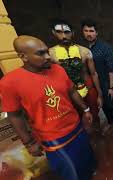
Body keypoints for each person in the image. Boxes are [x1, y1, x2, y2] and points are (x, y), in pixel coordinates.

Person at [0, 36, 96, 180]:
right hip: (53, 137)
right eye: (40, 53)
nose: (47, 57)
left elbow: (71, 91)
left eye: (47, 52)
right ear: (23, 56)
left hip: (76, 125)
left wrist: (85, 110)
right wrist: (29, 142)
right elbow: (14, 115)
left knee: (86, 158)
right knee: (70, 170)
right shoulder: (10, 82)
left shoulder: (57, 69)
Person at [49, 19, 103, 133]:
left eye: (67, 32)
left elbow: (93, 73)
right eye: (59, 32)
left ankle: (98, 132)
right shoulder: (50, 54)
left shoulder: (85, 51)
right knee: (74, 115)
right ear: (54, 33)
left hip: (88, 86)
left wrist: (100, 94)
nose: (63, 35)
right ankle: (81, 135)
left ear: (72, 33)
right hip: (67, 90)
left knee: (94, 112)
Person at [81, 19, 113, 135]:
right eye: (86, 31)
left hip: (105, 83)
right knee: (103, 105)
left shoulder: (105, 48)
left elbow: (111, 69)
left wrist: (111, 87)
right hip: (91, 84)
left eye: (91, 31)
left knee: (112, 105)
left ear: (96, 32)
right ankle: (110, 122)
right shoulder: (83, 48)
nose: (89, 34)